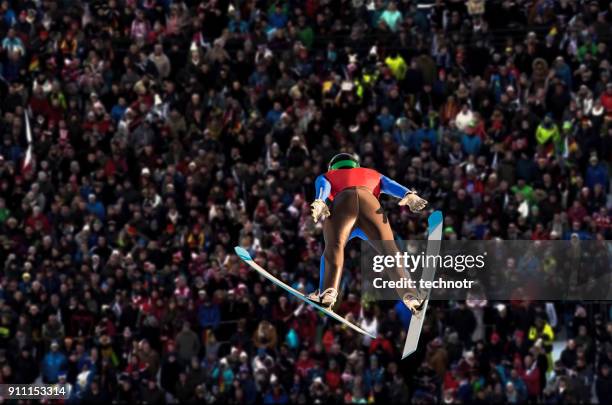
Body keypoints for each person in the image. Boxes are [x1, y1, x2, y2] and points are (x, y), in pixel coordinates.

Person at [308, 153, 428, 313]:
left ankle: (328, 292)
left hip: (343, 204)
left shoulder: (328, 175)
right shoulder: (371, 173)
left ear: (333, 167)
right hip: (371, 206)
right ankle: (410, 296)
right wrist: (409, 195)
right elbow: (390, 184)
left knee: (334, 247)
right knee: (390, 251)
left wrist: (320, 201)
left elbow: (324, 186)